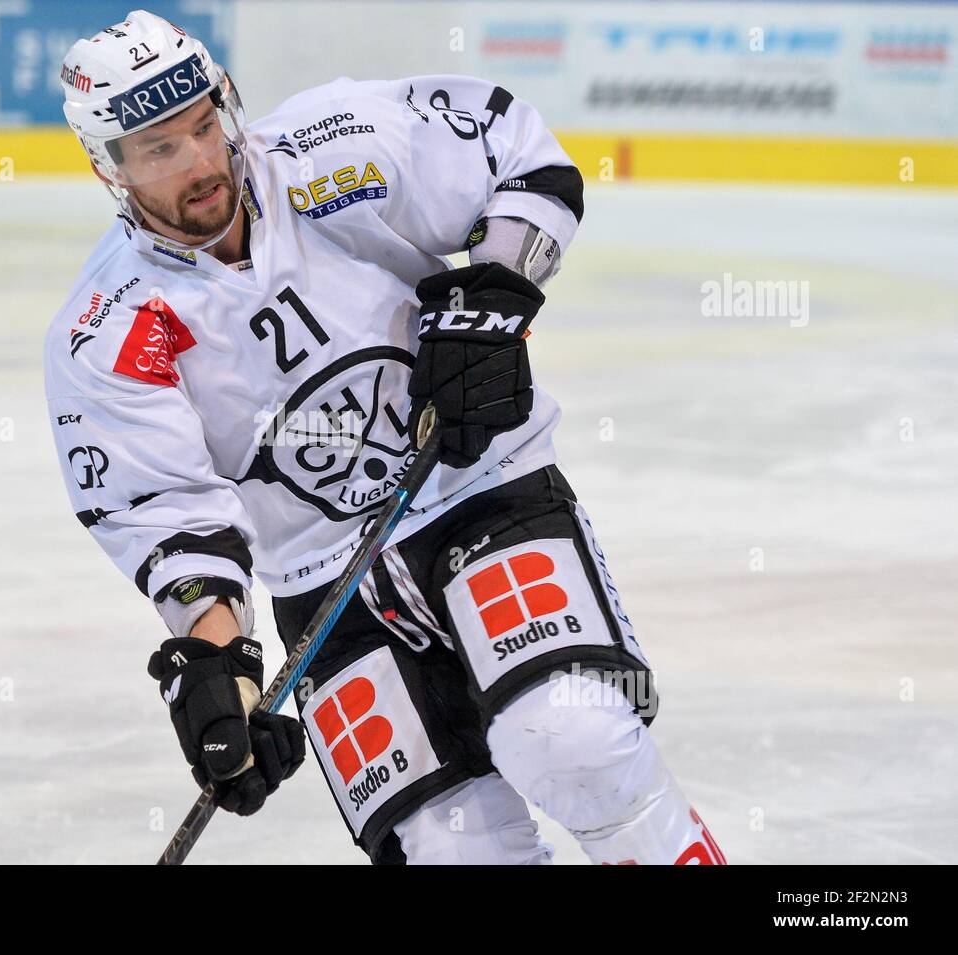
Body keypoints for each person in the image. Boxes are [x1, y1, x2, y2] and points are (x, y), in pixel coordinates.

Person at [44, 9, 725, 865]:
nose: (202, 163)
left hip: (479, 489)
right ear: (108, 167)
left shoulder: (335, 148)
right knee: (454, 853)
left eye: (205, 126)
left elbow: (521, 154)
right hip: (324, 588)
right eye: (160, 150)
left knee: (573, 740)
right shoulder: (107, 330)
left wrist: (491, 299)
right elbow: (169, 514)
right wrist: (217, 671)